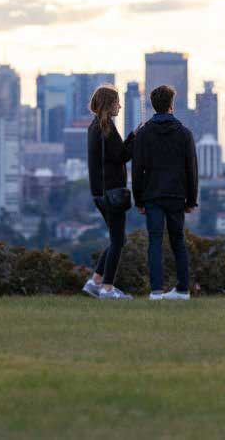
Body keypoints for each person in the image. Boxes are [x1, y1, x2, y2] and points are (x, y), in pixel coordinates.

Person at [131, 84, 198, 301]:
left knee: (155, 241)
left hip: (152, 195)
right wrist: (192, 199)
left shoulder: (143, 134)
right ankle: (183, 290)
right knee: (178, 240)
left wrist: (138, 198)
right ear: (171, 104)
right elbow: (192, 170)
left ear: (153, 105)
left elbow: (136, 168)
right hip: (177, 195)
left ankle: (156, 291)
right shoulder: (184, 134)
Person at [82, 85, 135, 301]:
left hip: (99, 193)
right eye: (117, 102)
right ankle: (107, 287)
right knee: (118, 241)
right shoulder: (107, 128)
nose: (120, 106)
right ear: (109, 104)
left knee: (117, 238)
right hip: (112, 192)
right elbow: (122, 155)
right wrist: (135, 137)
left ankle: (95, 281)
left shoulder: (94, 127)